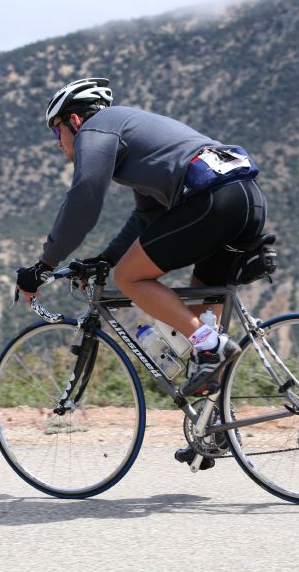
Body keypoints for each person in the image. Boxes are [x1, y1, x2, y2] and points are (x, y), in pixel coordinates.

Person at [15, 77, 267, 401]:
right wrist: (105, 258)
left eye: (56, 132)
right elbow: (147, 217)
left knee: (130, 278)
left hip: (214, 201)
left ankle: (211, 346)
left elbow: (84, 199)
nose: (57, 142)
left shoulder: (95, 130)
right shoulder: (129, 138)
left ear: (74, 121)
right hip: (245, 199)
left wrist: (44, 264)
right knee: (202, 323)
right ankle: (213, 424)